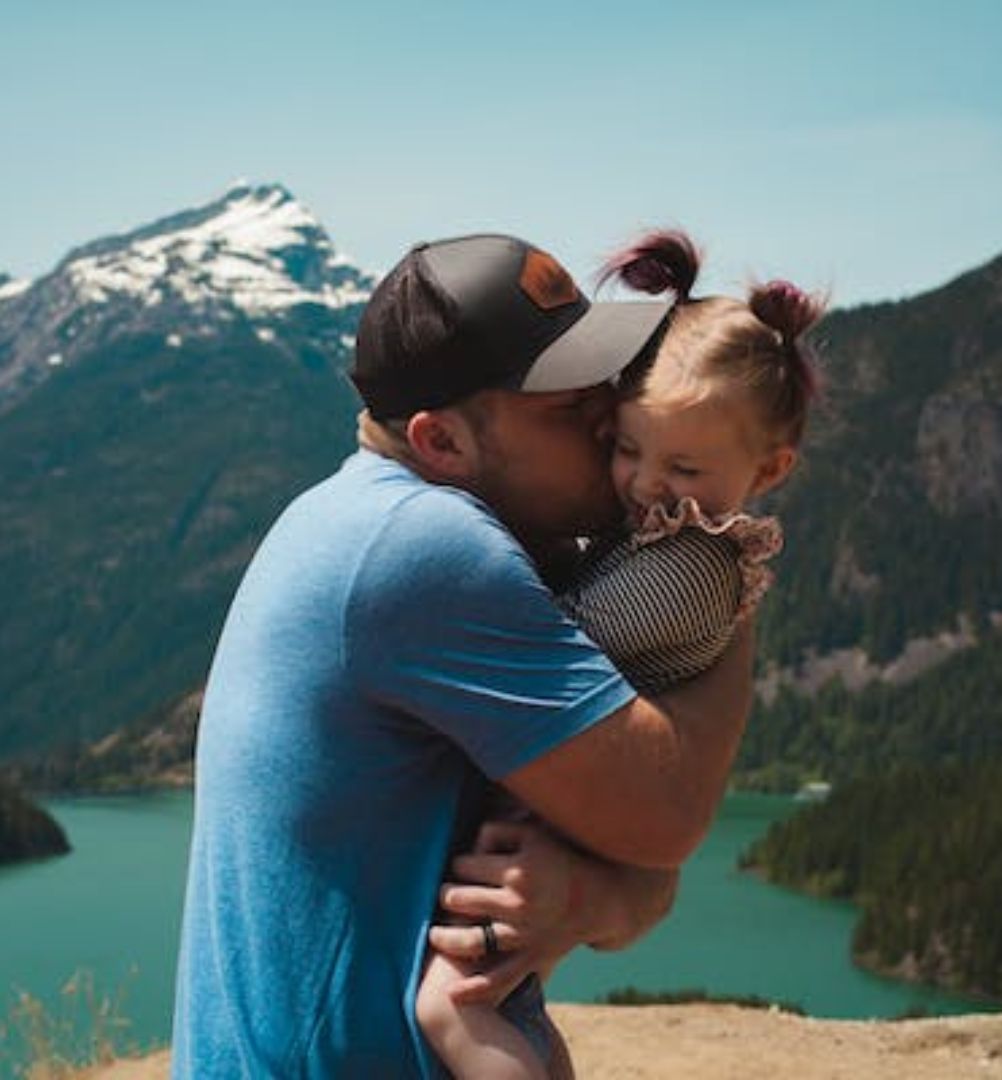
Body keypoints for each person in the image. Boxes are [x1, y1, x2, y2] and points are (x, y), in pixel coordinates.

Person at [171, 233, 756, 1079]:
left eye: (603, 380)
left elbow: (642, 871)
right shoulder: (424, 548)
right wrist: (724, 558)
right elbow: (665, 813)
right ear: (441, 441)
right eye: (564, 402)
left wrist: (586, 895)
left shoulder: (351, 514)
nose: (608, 415)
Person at [414, 230, 824, 1078]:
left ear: (771, 467)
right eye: (626, 447)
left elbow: (563, 636)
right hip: (575, 803)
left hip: (564, 812)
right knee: (511, 1000)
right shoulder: (673, 533)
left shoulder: (689, 566)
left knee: (455, 1001)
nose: (641, 483)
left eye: (681, 466)